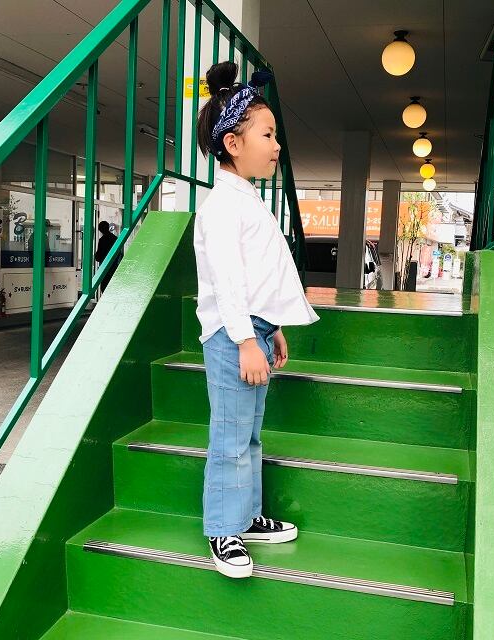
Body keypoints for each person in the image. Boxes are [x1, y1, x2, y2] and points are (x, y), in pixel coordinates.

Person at [194, 61, 320, 579]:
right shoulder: (223, 206)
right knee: (230, 436)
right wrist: (247, 341)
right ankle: (222, 530)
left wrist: (274, 328)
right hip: (234, 336)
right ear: (232, 143)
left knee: (248, 435)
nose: (276, 145)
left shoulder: (245, 199)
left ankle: (244, 517)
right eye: (267, 135)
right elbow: (227, 281)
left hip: (254, 332)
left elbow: (259, 276)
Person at [94, 220, 121, 294]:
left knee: (104, 288)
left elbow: (98, 257)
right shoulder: (115, 239)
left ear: (100, 230)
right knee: (113, 289)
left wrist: (96, 255)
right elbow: (119, 253)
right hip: (114, 268)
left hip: (105, 268)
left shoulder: (102, 240)